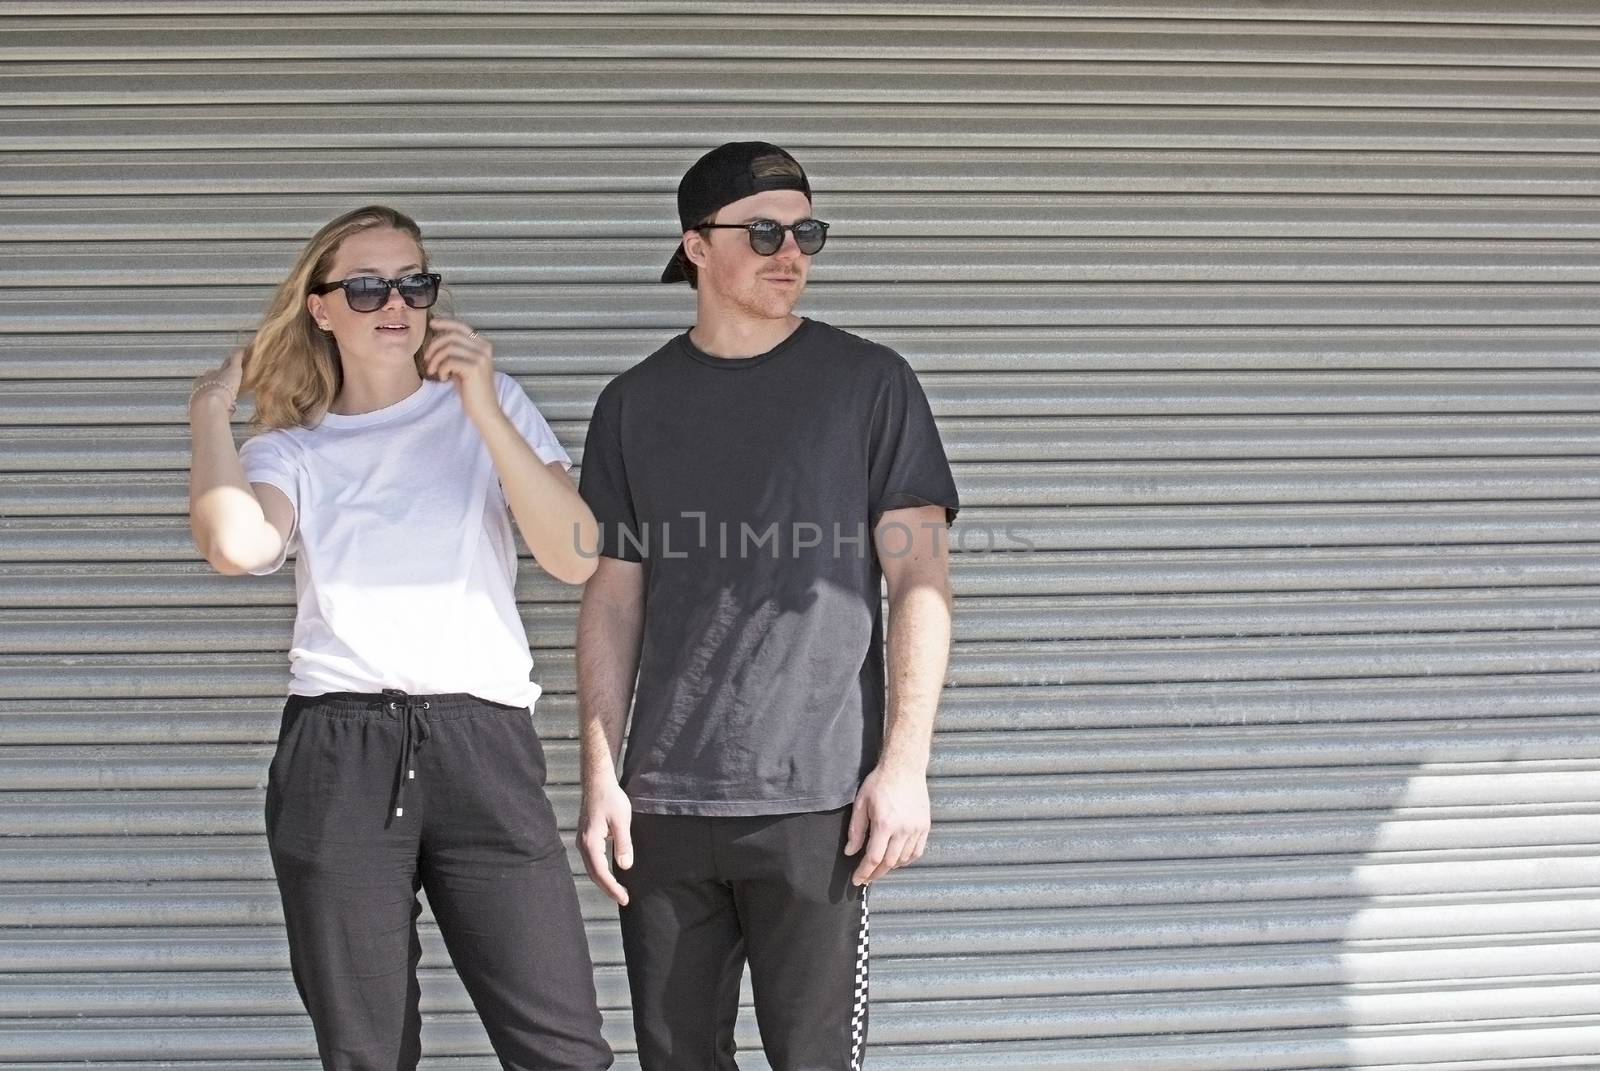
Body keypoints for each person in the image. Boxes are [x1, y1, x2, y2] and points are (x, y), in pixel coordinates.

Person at [185, 204, 613, 1071]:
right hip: (341, 747)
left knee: (562, 1047)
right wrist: (209, 416)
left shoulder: (490, 408)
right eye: (369, 285)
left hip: (482, 741)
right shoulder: (291, 446)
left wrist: (484, 410)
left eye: (415, 282)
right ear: (321, 307)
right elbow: (238, 545)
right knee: (366, 1051)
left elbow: (574, 555)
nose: (396, 303)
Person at [575, 143, 959, 1070]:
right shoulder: (631, 404)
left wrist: (903, 767)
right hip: (664, 803)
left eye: (807, 232)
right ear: (696, 247)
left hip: (817, 801)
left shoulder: (870, 384)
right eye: (764, 231)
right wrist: (599, 775)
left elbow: (921, 584)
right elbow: (612, 602)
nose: (792, 251)